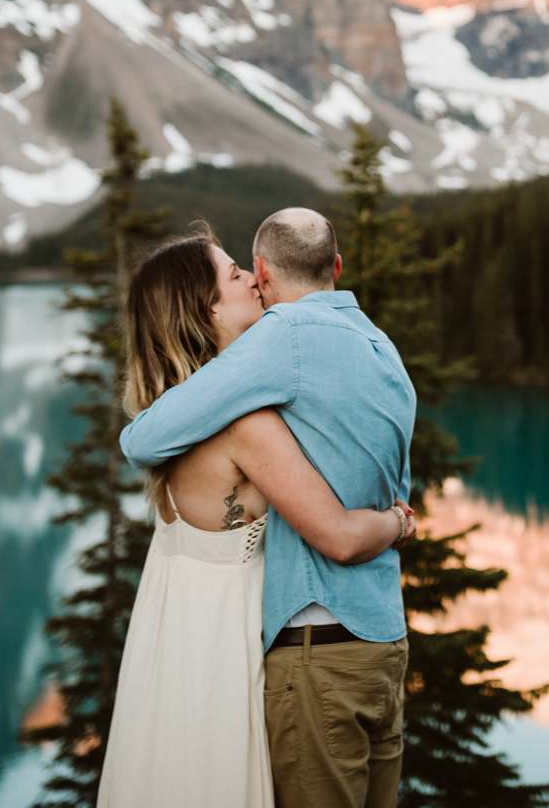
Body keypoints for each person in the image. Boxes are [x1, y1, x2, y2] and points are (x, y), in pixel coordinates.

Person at [99, 222, 412, 806]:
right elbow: (339, 535)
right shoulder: (248, 426)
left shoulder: (181, 423)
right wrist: (400, 521)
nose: (254, 279)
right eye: (235, 274)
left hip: (175, 658)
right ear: (206, 309)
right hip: (235, 660)